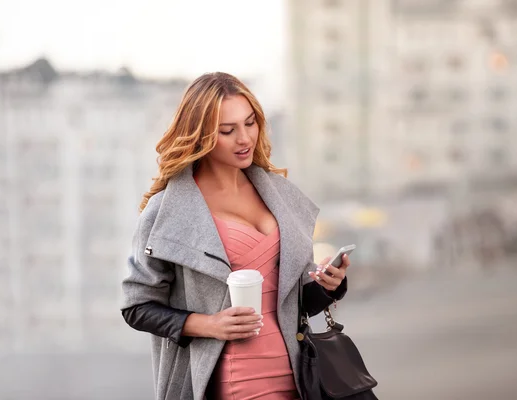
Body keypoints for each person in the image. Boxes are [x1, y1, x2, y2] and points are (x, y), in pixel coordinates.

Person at [120, 72, 350, 400]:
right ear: (199, 135)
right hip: (233, 383)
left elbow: (293, 305)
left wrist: (329, 284)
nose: (244, 139)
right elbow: (137, 306)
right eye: (228, 130)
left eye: (250, 123)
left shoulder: (280, 196)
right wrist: (209, 325)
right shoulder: (168, 211)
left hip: (299, 380)